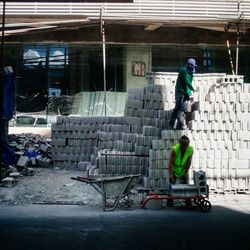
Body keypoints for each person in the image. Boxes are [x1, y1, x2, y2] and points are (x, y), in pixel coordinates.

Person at [169, 58, 197, 130]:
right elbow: (187, 81)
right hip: (180, 91)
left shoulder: (191, 73)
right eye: (193, 66)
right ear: (189, 65)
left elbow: (189, 83)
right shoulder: (183, 71)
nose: (193, 68)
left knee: (184, 108)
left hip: (186, 93)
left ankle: (180, 125)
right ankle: (171, 124)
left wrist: (190, 93)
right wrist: (193, 89)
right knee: (178, 107)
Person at [167, 135, 194, 207]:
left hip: (183, 171)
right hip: (174, 171)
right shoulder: (175, 149)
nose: (185, 147)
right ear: (180, 144)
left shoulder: (190, 149)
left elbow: (189, 162)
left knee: (186, 186)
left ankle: (188, 201)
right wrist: (170, 174)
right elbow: (170, 163)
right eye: (183, 146)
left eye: (187, 145)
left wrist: (185, 172)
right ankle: (169, 202)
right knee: (171, 186)